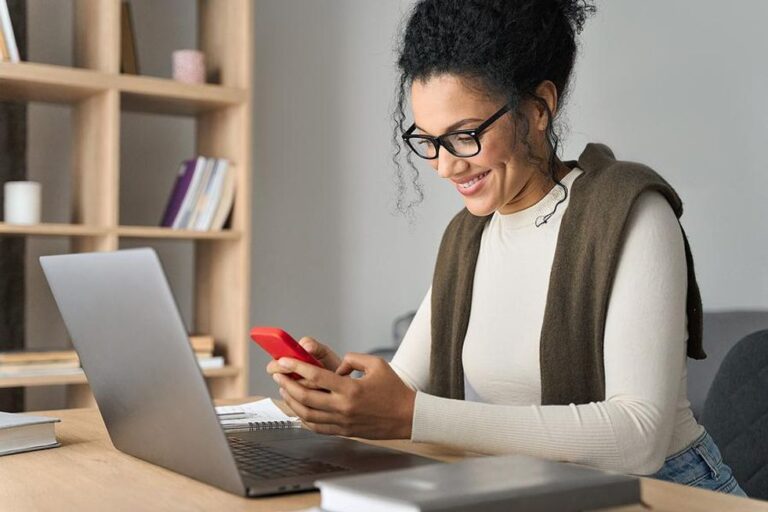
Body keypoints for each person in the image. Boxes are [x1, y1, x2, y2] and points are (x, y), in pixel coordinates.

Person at [268, 0, 747, 496]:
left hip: (671, 492)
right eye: (428, 140)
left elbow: (638, 438)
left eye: (464, 136)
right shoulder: (467, 237)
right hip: (546, 490)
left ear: (538, 109)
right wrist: (340, 390)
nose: (445, 167)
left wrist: (410, 414)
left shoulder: (629, 211)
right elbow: (405, 389)